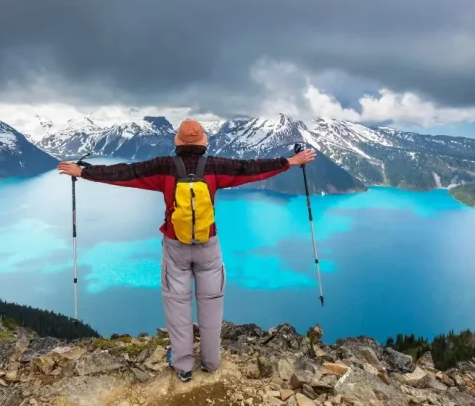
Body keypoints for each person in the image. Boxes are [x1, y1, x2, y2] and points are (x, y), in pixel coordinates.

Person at [57, 119, 316, 382]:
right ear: (204, 142)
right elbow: (251, 168)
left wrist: (83, 172)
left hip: (175, 245)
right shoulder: (216, 166)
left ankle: (183, 367)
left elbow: (126, 172)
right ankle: (212, 362)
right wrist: (291, 162)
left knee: (177, 304)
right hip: (208, 245)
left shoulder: (163, 166)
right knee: (211, 302)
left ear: (177, 142)